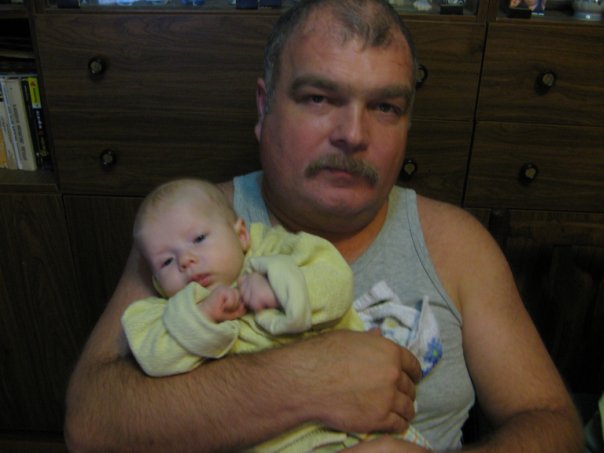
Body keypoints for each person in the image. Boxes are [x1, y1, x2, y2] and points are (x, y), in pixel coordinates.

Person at [64, 0, 583, 451]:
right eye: (319, 98)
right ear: (265, 107)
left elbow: (554, 424)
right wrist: (307, 380)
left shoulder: (458, 244)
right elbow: (91, 424)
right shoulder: (187, 228)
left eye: (385, 106)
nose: (353, 134)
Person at [121, 177, 434, 451]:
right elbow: (154, 357)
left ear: (241, 235)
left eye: (199, 239)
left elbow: (336, 280)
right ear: (156, 282)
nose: (186, 260)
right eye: (166, 262)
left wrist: (278, 287)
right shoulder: (162, 313)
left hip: (368, 425)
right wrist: (200, 317)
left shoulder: (279, 250)